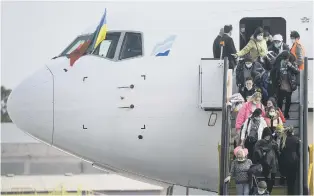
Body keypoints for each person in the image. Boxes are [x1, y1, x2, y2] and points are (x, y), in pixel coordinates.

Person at [270, 51, 299, 119]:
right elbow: (273, 72)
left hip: (289, 85)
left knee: (288, 101)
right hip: (280, 86)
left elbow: (297, 71)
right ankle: (280, 114)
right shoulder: (278, 63)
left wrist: (291, 66)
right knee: (280, 101)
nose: (286, 60)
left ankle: (286, 114)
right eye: (285, 59)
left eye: (287, 59)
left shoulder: (292, 63)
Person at [253, 127, 279, 194]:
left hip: (273, 164)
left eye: (268, 135)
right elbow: (256, 152)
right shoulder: (260, 142)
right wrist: (264, 150)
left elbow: (278, 151)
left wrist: (276, 147)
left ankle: (268, 193)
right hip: (265, 164)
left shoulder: (273, 142)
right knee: (268, 180)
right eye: (266, 136)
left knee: (272, 181)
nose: (267, 137)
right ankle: (266, 193)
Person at [279, 127, 300, 195]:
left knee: (287, 180)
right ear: (292, 132)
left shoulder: (283, 139)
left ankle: (282, 178)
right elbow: (298, 152)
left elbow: (281, 150)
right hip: (294, 161)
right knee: (292, 183)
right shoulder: (296, 139)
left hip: (285, 162)